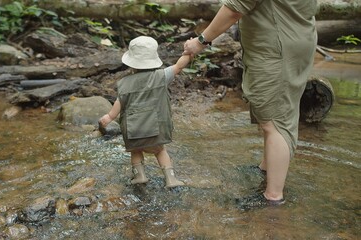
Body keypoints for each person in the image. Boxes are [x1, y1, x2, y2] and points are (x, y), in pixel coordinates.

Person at [183, 0, 317, 209]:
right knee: (275, 113)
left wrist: (201, 41)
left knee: (275, 122)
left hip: (277, 49)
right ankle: (266, 169)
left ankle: (272, 197)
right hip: (296, 38)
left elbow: (234, 9)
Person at [99, 36, 191, 188]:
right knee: (160, 150)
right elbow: (179, 67)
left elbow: (119, 103)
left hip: (134, 129)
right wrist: (188, 52)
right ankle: (171, 179)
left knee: (135, 151)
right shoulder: (161, 76)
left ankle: (140, 175)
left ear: (132, 63)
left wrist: (109, 117)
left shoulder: (124, 83)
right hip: (156, 127)